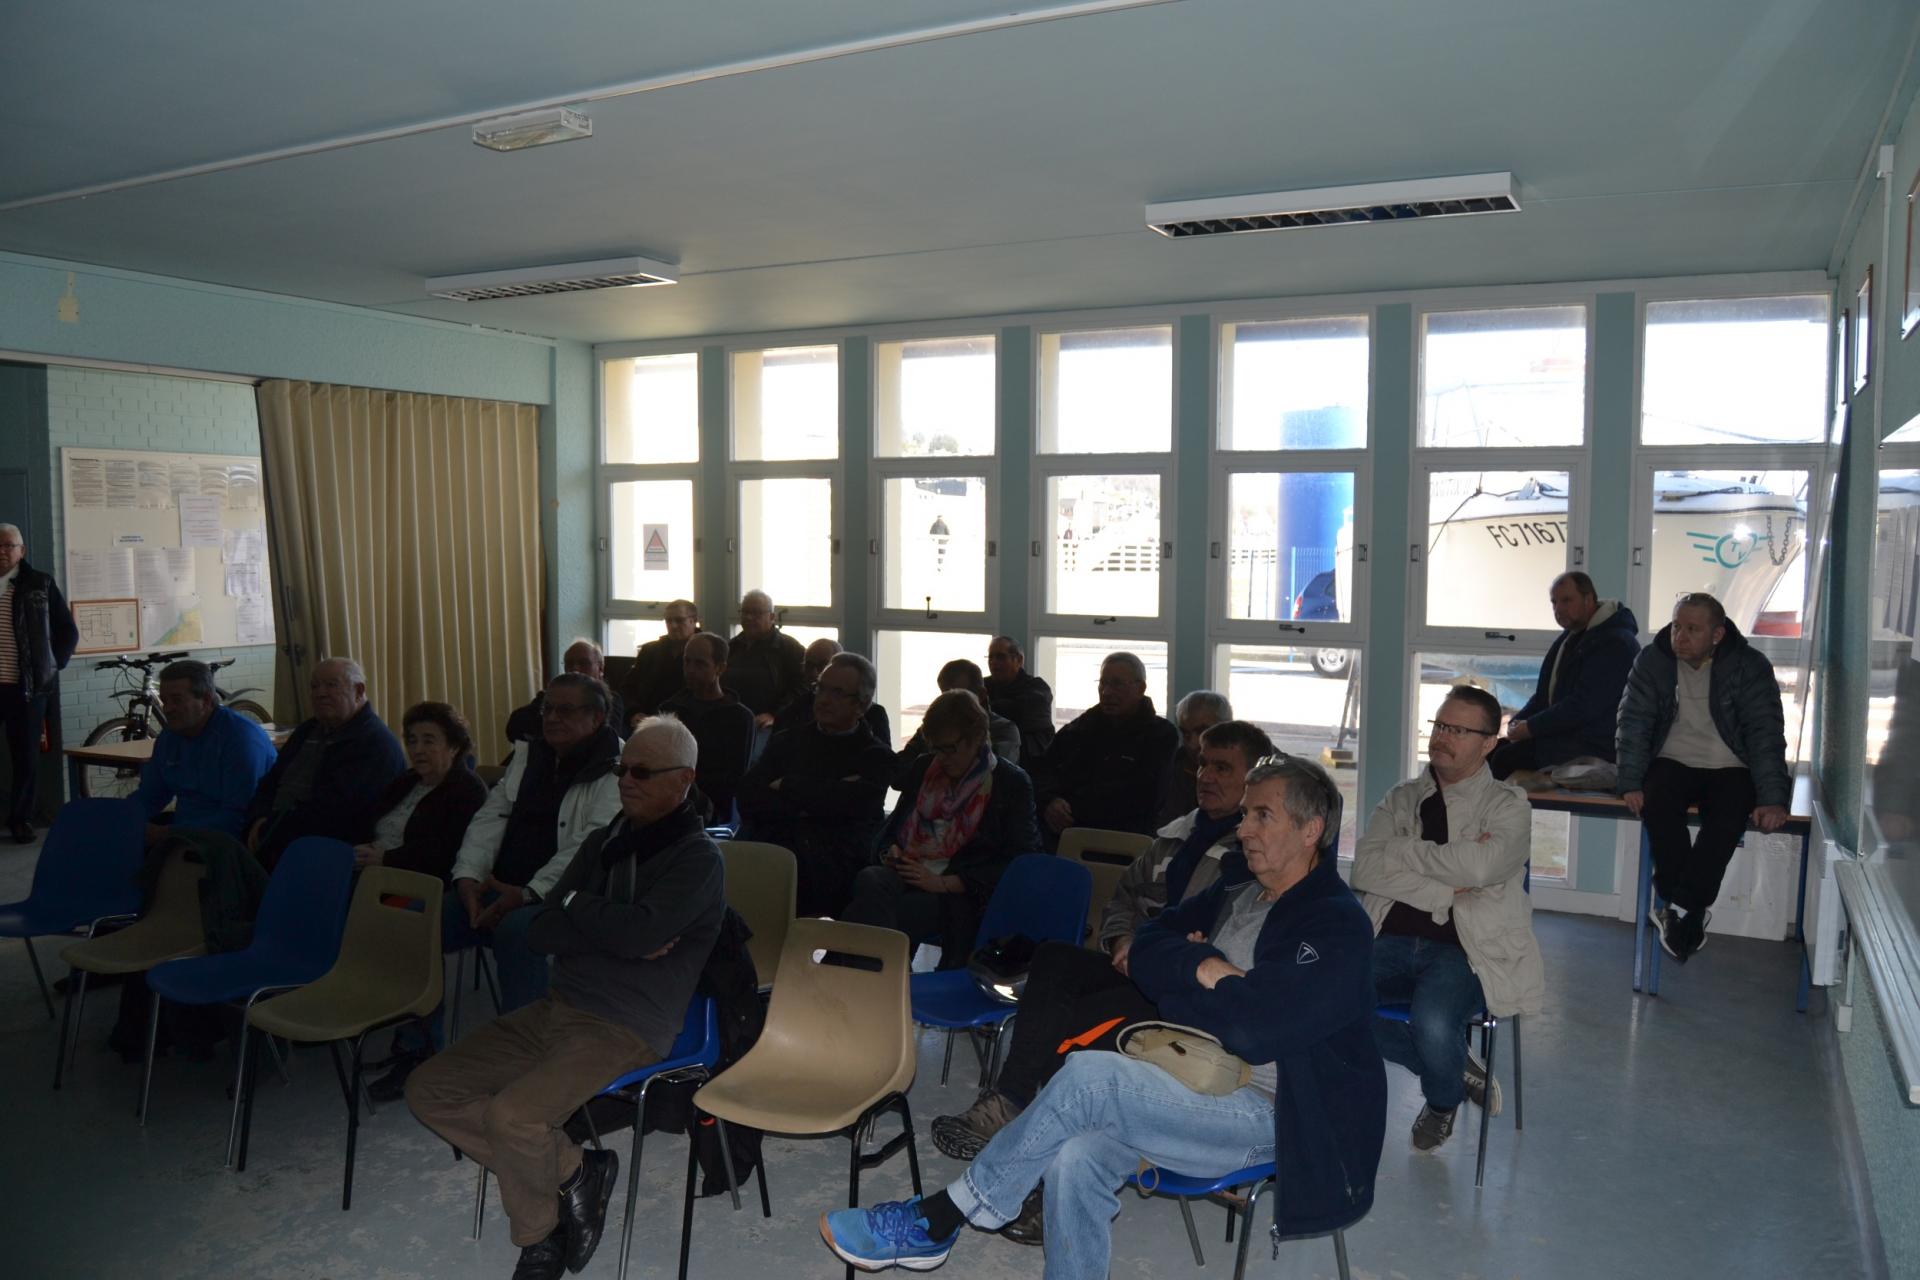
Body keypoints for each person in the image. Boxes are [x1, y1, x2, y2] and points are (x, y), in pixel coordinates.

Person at [820, 755, 1384, 1280]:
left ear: (1311, 830)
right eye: (1245, 815)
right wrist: (1208, 968)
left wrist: (1187, 978)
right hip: (1190, 1080)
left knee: (1091, 1074)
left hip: (1276, 1115)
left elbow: (1251, 1032)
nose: (1244, 830)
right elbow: (1150, 943)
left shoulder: (1335, 925)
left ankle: (943, 1217)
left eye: (1262, 815)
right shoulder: (1239, 891)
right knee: (1073, 1155)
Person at [407, 717, 725, 1280]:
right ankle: (576, 1171)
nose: (625, 780)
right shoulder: (605, 842)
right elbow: (541, 929)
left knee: (514, 1118)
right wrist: (611, 925)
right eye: (621, 769)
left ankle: (539, 1238)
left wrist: (582, 909)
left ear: (684, 780)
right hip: (559, 1007)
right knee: (430, 1088)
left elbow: (628, 931)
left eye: (642, 772)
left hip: (626, 1025)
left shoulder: (697, 859)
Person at [931, 720, 1275, 1191]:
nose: (1206, 777)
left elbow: (1214, 941)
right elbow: (1123, 898)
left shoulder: (1253, 853)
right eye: (1201, 765)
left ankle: (1042, 1166)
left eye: (1222, 768)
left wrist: (1152, 951)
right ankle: (1010, 1100)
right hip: (1135, 963)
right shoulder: (1175, 836)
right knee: (1054, 958)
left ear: (1253, 780)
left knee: (1078, 1019)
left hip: (1181, 990)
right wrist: (1120, 942)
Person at [373, 674, 624, 1100]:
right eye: (547, 709)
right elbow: (490, 817)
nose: (552, 718)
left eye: (566, 710)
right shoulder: (530, 755)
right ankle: (418, 1046)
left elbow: (589, 846)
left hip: (568, 895)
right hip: (499, 886)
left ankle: (522, 1058)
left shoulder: (617, 767)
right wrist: (467, 878)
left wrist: (526, 893)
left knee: (516, 932)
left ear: (597, 718)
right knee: (419, 921)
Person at [1351, 683, 1542, 1153]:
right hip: (1388, 937)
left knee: (1433, 1022)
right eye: (1439, 725)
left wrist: (1402, 853)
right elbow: (1365, 869)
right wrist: (1443, 888)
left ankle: (1440, 1102)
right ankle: (1452, 1069)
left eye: (1458, 730)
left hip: (1468, 948)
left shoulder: (1508, 805)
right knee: (1325, 1001)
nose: (1442, 737)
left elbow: (1479, 869)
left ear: (1488, 743)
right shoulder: (1401, 798)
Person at [1617, 592, 1790, 964]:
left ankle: (1677, 907)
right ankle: (1691, 912)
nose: (1680, 637)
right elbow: (1633, 722)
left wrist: (1772, 798)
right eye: (1676, 627)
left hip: (1731, 764)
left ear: (1717, 634)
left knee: (1728, 818)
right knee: (1658, 805)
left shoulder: (1749, 666)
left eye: (1693, 629)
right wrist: (1630, 781)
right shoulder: (1653, 661)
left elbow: (1765, 732)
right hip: (1671, 759)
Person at [844, 689, 1039, 965]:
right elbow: (895, 827)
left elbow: (1022, 859)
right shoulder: (926, 767)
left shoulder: (1009, 783)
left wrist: (944, 883)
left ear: (976, 739)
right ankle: (879, 976)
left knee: (875, 913)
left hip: (961, 890)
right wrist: (892, 852)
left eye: (950, 748)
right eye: (936, 748)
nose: (942, 757)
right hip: (911, 872)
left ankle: (869, 976)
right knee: (871, 879)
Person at [736, 652, 893, 917]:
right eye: (821, 688)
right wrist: (819, 797)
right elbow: (747, 797)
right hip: (775, 845)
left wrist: (787, 785)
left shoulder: (875, 756)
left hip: (834, 860)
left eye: (837, 693)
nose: (824, 699)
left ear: (862, 705)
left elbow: (854, 809)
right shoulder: (788, 741)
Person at [243, 657, 406, 870]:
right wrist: (258, 818)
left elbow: (335, 815)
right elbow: (270, 782)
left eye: (331, 685)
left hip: (327, 849)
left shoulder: (374, 744)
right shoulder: (307, 730)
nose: (320, 693)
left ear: (358, 691)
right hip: (277, 834)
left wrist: (269, 829)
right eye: (314, 686)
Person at [1490, 572, 1640, 781]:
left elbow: (1584, 706)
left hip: (1598, 744)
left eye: (1567, 600)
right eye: (1554, 602)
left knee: (1503, 759)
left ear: (1588, 599)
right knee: (1491, 750)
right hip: (1568, 735)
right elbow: (1544, 696)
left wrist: (1531, 728)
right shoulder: (1571, 638)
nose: (1558, 609)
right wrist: (1518, 723)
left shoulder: (1616, 643)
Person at [1032, 652, 1179, 845]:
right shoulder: (1080, 728)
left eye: (1117, 684)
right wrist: (1050, 801)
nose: (1107, 692)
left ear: (1140, 688)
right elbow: (1041, 770)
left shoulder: (1161, 735)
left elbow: (1143, 797)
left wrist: (1074, 807)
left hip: (1127, 842)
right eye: (1103, 683)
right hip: (1068, 836)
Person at [131, 659, 277, 843]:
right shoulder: (170, 737)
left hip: (232, 844)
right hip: (184, 835)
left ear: (206, 701)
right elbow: (150, 796)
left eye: (177, 700)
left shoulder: (241, 739)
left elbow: (238, 818)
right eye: (164, 701)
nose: (167, 709)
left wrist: (167, 834)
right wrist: (120, 816)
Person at [0, 522, 77, 843]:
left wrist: (50, 666)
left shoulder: (39, 583)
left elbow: (67, 631)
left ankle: (21, 820)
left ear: (22, 551)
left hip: (27, 688)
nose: (2, 552)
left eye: (8, 546)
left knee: (26, 758)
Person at [353, 701, 489, 882]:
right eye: (412, 741)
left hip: (416, 882)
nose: (417, 750)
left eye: (428, 741)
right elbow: (371, 821)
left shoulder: (468, 791)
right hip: (372, 868)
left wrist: (386, 859)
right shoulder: (406, 781)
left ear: (454, 747)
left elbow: (446, 852)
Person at [656, 632, 755, 824]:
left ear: (720, 668)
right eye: (687, 662)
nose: (690, 670)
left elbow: (734, 779)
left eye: (700, 664)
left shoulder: (740, 718)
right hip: (668, 801)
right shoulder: (670, 709)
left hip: (712, 809)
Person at [893, 659, 1020, 784]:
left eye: (959, 697)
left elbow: (995, 777)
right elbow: (898, 775)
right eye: (945, 696)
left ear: (981, 695)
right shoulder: (932, 727)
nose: (949, 703)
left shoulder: (1004, 730)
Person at [506, 639, 627, 745]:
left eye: (584, 663)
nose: (575, 668)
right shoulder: (552, 695)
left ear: (600, 669)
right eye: (569, 663)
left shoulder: (612, 699)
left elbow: (606, 738)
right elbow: (515, 728)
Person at [772, 636, 891, 742]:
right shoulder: (792, 713)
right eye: (809, 665)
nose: (814, 673)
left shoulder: (874, 715)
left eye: (823, 665)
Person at [725, 590, 807, 727]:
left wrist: (775, 714)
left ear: (772, 617)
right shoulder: (731, 646)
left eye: (756, 613)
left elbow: (802, 687)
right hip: (731, 719)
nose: (749, 617)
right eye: (745, 612)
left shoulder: (789, 648)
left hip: (767, 723)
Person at [1156, 689, 1233, 826]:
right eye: (1186, 734)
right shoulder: (1175, 767)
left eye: (1202, 732)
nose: (1192, 744)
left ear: (1227, 727)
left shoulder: (1254, 765)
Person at [620, 599, 699, 720]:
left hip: (687, 720)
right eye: (668, 621)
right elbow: (628, 687)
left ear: (694, 621)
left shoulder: (707, 652)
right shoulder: (650, 651)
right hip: (645, 718)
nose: (673, 626)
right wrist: (633, 712)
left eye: (679, 620)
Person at [985, 636, 1055, 768]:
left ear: (1019, 660)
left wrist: (984, 709)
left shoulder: (1038, 688)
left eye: (1000, 657)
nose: (993, 662)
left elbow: (1017, 712)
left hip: (1034, 768)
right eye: (990, 657)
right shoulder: (983, 686)